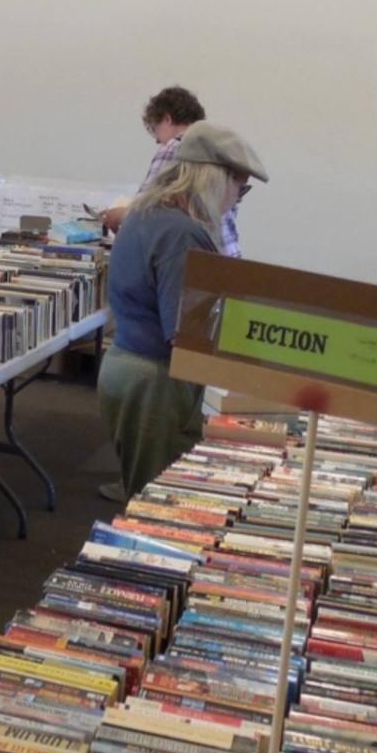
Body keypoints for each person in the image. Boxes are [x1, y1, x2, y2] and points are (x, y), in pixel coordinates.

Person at [97, 121, 268, 499]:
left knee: (143, 495)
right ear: (215, 180)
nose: (237, 200)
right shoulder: (182, 234)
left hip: (127, 367)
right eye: (240, 188)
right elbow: (186, 331)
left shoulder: (143, 213)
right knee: (159, 505)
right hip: (157, 383)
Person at [102, 85, 251, 258]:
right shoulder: (217, 152)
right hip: (228, 258)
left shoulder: (175, 146)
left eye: (153, 129)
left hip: (194, 260)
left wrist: (117, 213)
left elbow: (144, 212)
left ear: (167, 119)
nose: (157, 141)